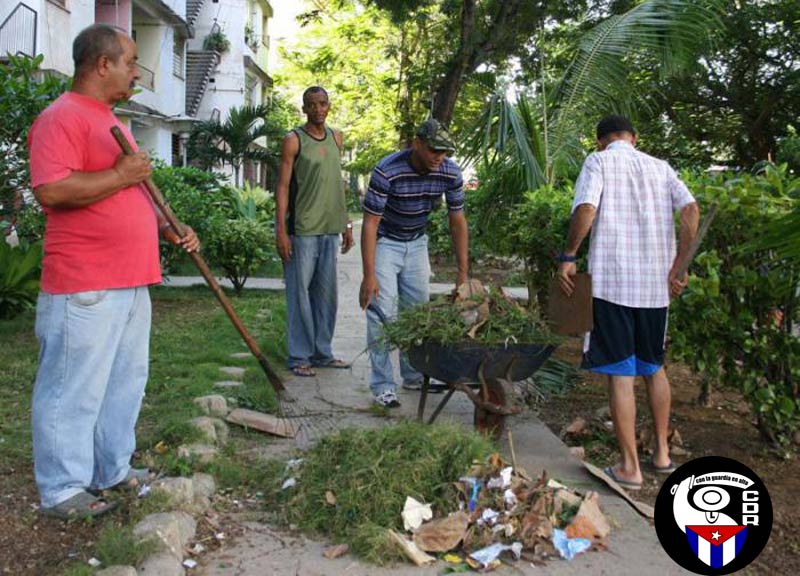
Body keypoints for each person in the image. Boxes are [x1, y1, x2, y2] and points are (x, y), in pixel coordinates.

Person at [27, 23, 200, 519]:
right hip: (85, 281)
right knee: (72, 386)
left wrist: (166, 226)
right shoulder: (61, 117)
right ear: (102, 64)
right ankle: (62, 488)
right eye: (129, 62)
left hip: (128, 278)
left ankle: (111, 469)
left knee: (125, 382)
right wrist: (121, 175)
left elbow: (126, 191)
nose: (137, 72)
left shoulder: (110, 118)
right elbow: (52, 191)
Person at [557, 115, 699, 490]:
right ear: (634, 139)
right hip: (655, 289)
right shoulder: (660, 167)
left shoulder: (599, 161)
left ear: (601, 141)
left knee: (621, 374)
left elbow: (586, 208)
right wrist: (679, 267)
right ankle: (663, 456)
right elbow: (691, 210)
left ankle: (629, 468)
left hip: (613, 285)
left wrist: (569, 255)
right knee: (653, 367)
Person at [359, 119, 469, 408]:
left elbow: (457, 220)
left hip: (417, 242)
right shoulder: (387, 170)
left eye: (444, 152)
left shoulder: (449, 172)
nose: (439, 157)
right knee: (381, 311)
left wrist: (463, 272)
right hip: (386, 242)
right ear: (417, 143)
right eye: (434, 150)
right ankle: (383, 384)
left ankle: (413, 374)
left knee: (418, 313)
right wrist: (368, 275)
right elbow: (370, 224)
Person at [275, 87, 354, 378]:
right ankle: (299, 356)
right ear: (304, 108)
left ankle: (323, 353)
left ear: (329, 106)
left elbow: (337, 183)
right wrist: (281, 231)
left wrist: (346, 223)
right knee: (299, 295)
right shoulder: (293, 140)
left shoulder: (337, 137)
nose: (318, 109)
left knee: (326, 295)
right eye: (312, 105)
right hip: (303, 229)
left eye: (322, 104)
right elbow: (282, 187)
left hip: (330, 228)